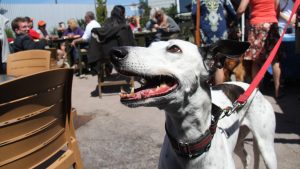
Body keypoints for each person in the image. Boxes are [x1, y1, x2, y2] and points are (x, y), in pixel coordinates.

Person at [237, 0, 283, 99]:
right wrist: (274, 19)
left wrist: (235, 18)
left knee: (256, 60)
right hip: (272, 24)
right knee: (275, 60)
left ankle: (255, 91)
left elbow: (241, 9)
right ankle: (277, 91)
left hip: (257, 25)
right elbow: (277, 7)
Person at [192, 0, 238, 85]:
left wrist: (197, 27)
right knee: (218, 62)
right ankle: (219, 89)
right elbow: (232, 12)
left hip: (206, 31)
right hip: (221, 30)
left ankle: (209, 87)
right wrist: (232, 25)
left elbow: (194, 14)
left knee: (206, 59)